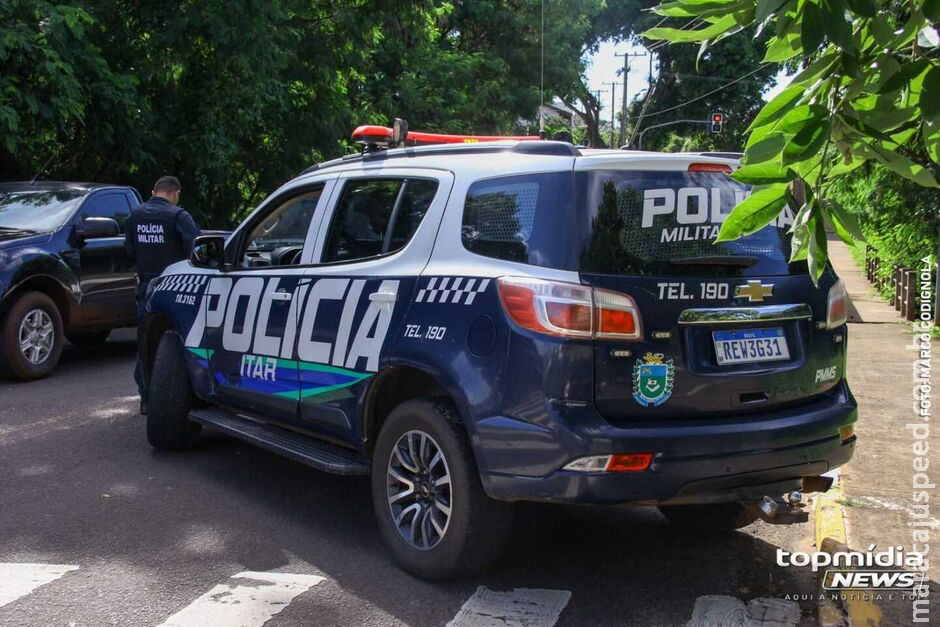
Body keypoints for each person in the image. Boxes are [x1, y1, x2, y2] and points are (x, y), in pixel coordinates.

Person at [124, 176, 200, 414]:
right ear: (176, 193)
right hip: (176, 286)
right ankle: (175, 399)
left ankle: (147, 399)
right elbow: (197, 250)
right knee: (176, 344)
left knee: (146, 344)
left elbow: (128, 253)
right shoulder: (178, 216)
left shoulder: (134, 216)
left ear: (153, 191)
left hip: (146, 287)